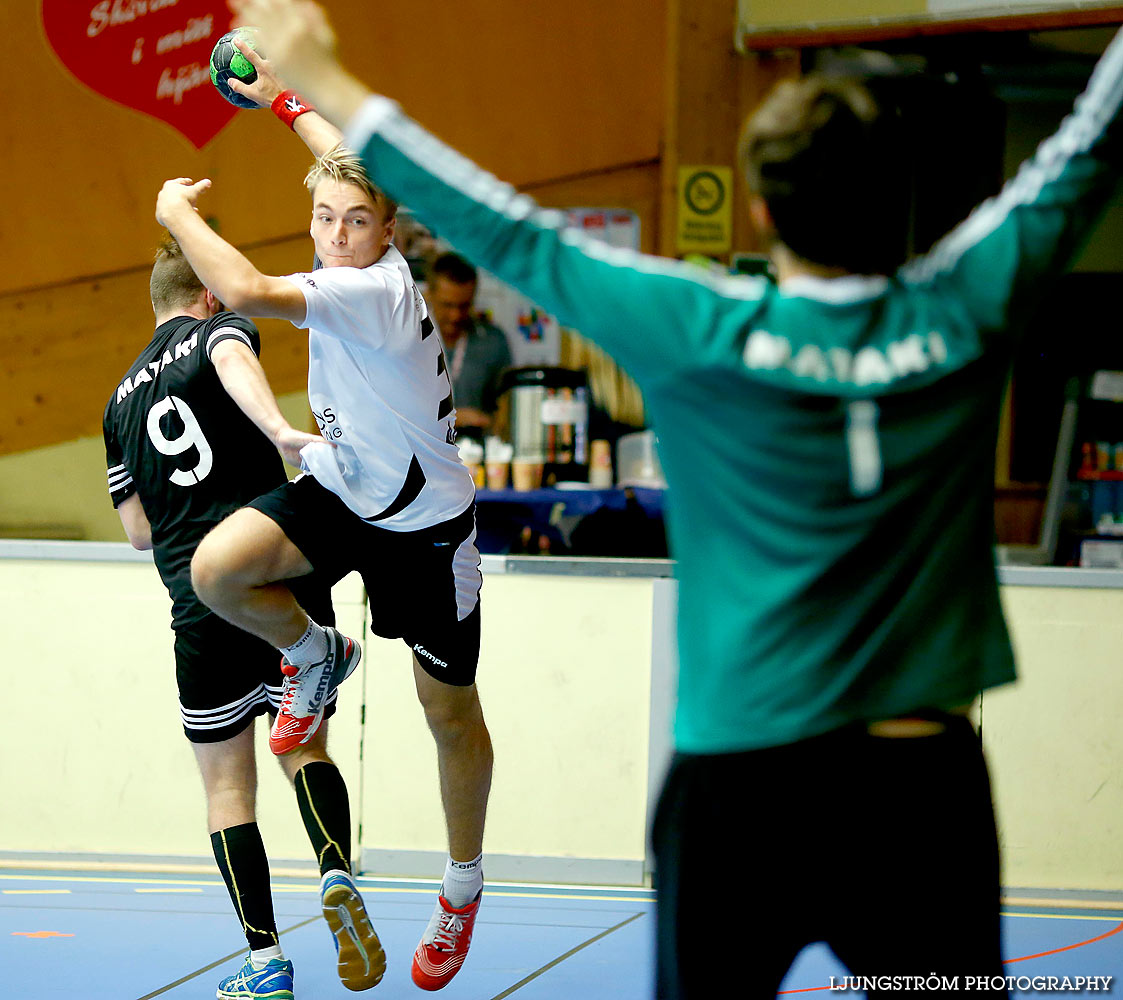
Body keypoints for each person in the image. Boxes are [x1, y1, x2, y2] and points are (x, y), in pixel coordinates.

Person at [231, 3, 1123, 996]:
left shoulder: (700, 326)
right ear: (904, 201)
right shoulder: (966, 306)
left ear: (760, 213)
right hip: (918, 798)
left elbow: (508, 230)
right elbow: (1089, 146)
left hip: (742, 790)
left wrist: (326, 83)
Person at [156, 39, 493, 993]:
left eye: (357, 221)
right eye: (323, 217)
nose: (337, 234)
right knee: (220, 572)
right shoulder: (346, 233)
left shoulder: (369, 293)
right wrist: (281, 100)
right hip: (345, 488)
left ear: (388, 232)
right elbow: (343, 159)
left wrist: (177, 213)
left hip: (425, 529)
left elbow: (252, 292)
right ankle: (314, 652)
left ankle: (461, 888)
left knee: (447, 713)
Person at [103, 236, 383, 998]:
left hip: (196, 610)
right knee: (303, 748)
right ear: (209, 293)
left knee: (227, 792)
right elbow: (232, 359)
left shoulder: (116, 403)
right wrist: (280, 432)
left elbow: (137, 533)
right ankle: (333, 868)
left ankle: (263, 962)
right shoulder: (216, 330)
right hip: (272, 580)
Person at [425, 251, 513, 434]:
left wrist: (496, 424)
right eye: (447, 305)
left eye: (464, 305)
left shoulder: (493, 342)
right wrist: (456, 418)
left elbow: (507, 408)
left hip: (480, 455)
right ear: (428, 295)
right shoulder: (406, 340)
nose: (455, 316)